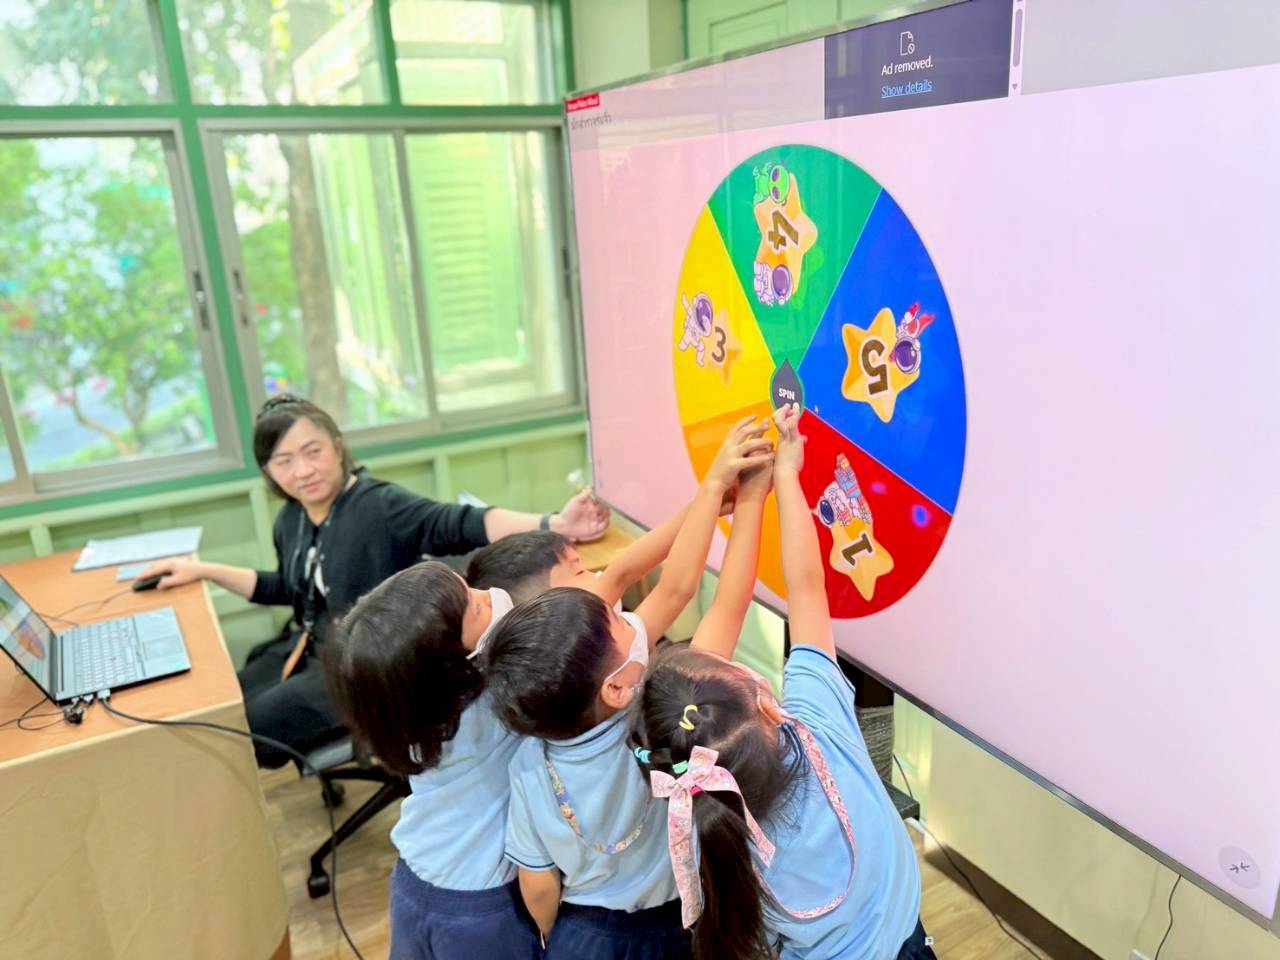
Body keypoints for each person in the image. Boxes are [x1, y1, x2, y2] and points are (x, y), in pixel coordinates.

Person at [321, 481, 726, 959]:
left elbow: (616, 577)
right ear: (458, 661)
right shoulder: (500, 696)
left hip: (413, 880)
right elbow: (625, 581)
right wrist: (709, 496)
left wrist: (707, 499)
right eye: (476, 605)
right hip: (482, 907)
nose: (490, 596)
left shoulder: (412, 707)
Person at [139, 394, 608, 766]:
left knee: (245, 726)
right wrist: (204, 570)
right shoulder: (292, 519)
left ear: (337, 446)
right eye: (284, 462)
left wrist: (554, 523)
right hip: (312, 647)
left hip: (366, 665)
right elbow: (288, 587)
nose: (303, 471)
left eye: (313, 452)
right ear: (269, 472)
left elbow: (461, 522)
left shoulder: (379, 505)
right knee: (224, 700)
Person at [629, 403, 934, 960]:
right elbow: (808, 589)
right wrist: (788, 476)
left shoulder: (705, 831)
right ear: (769, 709)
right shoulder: (821, 731)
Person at [481, 415, 773, 959]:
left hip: (583, 935)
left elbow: (538, 884)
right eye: (619, 620)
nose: (633, 617)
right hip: (674, 927)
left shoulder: (527, 759)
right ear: (616, 687)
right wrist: (746, 497)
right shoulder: (662, 721)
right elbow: (717, 601)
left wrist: (552, 938)